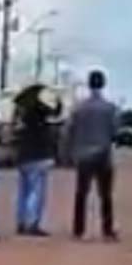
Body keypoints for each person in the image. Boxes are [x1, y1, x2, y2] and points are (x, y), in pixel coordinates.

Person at [67, 70, 120, 241]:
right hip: (103, 154)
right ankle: (107, 230)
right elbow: (115, 132)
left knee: (81, 194)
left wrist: (71, 150)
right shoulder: (110, 108)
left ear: (89, 84)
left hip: (83, 155)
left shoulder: (78, 108)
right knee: (105, 195)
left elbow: (70, 131)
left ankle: (78, 230)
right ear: (103, 84)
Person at [13, 85, 62, 236]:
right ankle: (32, 222)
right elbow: (56, 113)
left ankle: (21, 222)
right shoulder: (38, 109)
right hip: (38, 155)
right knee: (37, 191)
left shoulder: (19, 113)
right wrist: (59, 101)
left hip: (23, 155)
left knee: (23, 191)